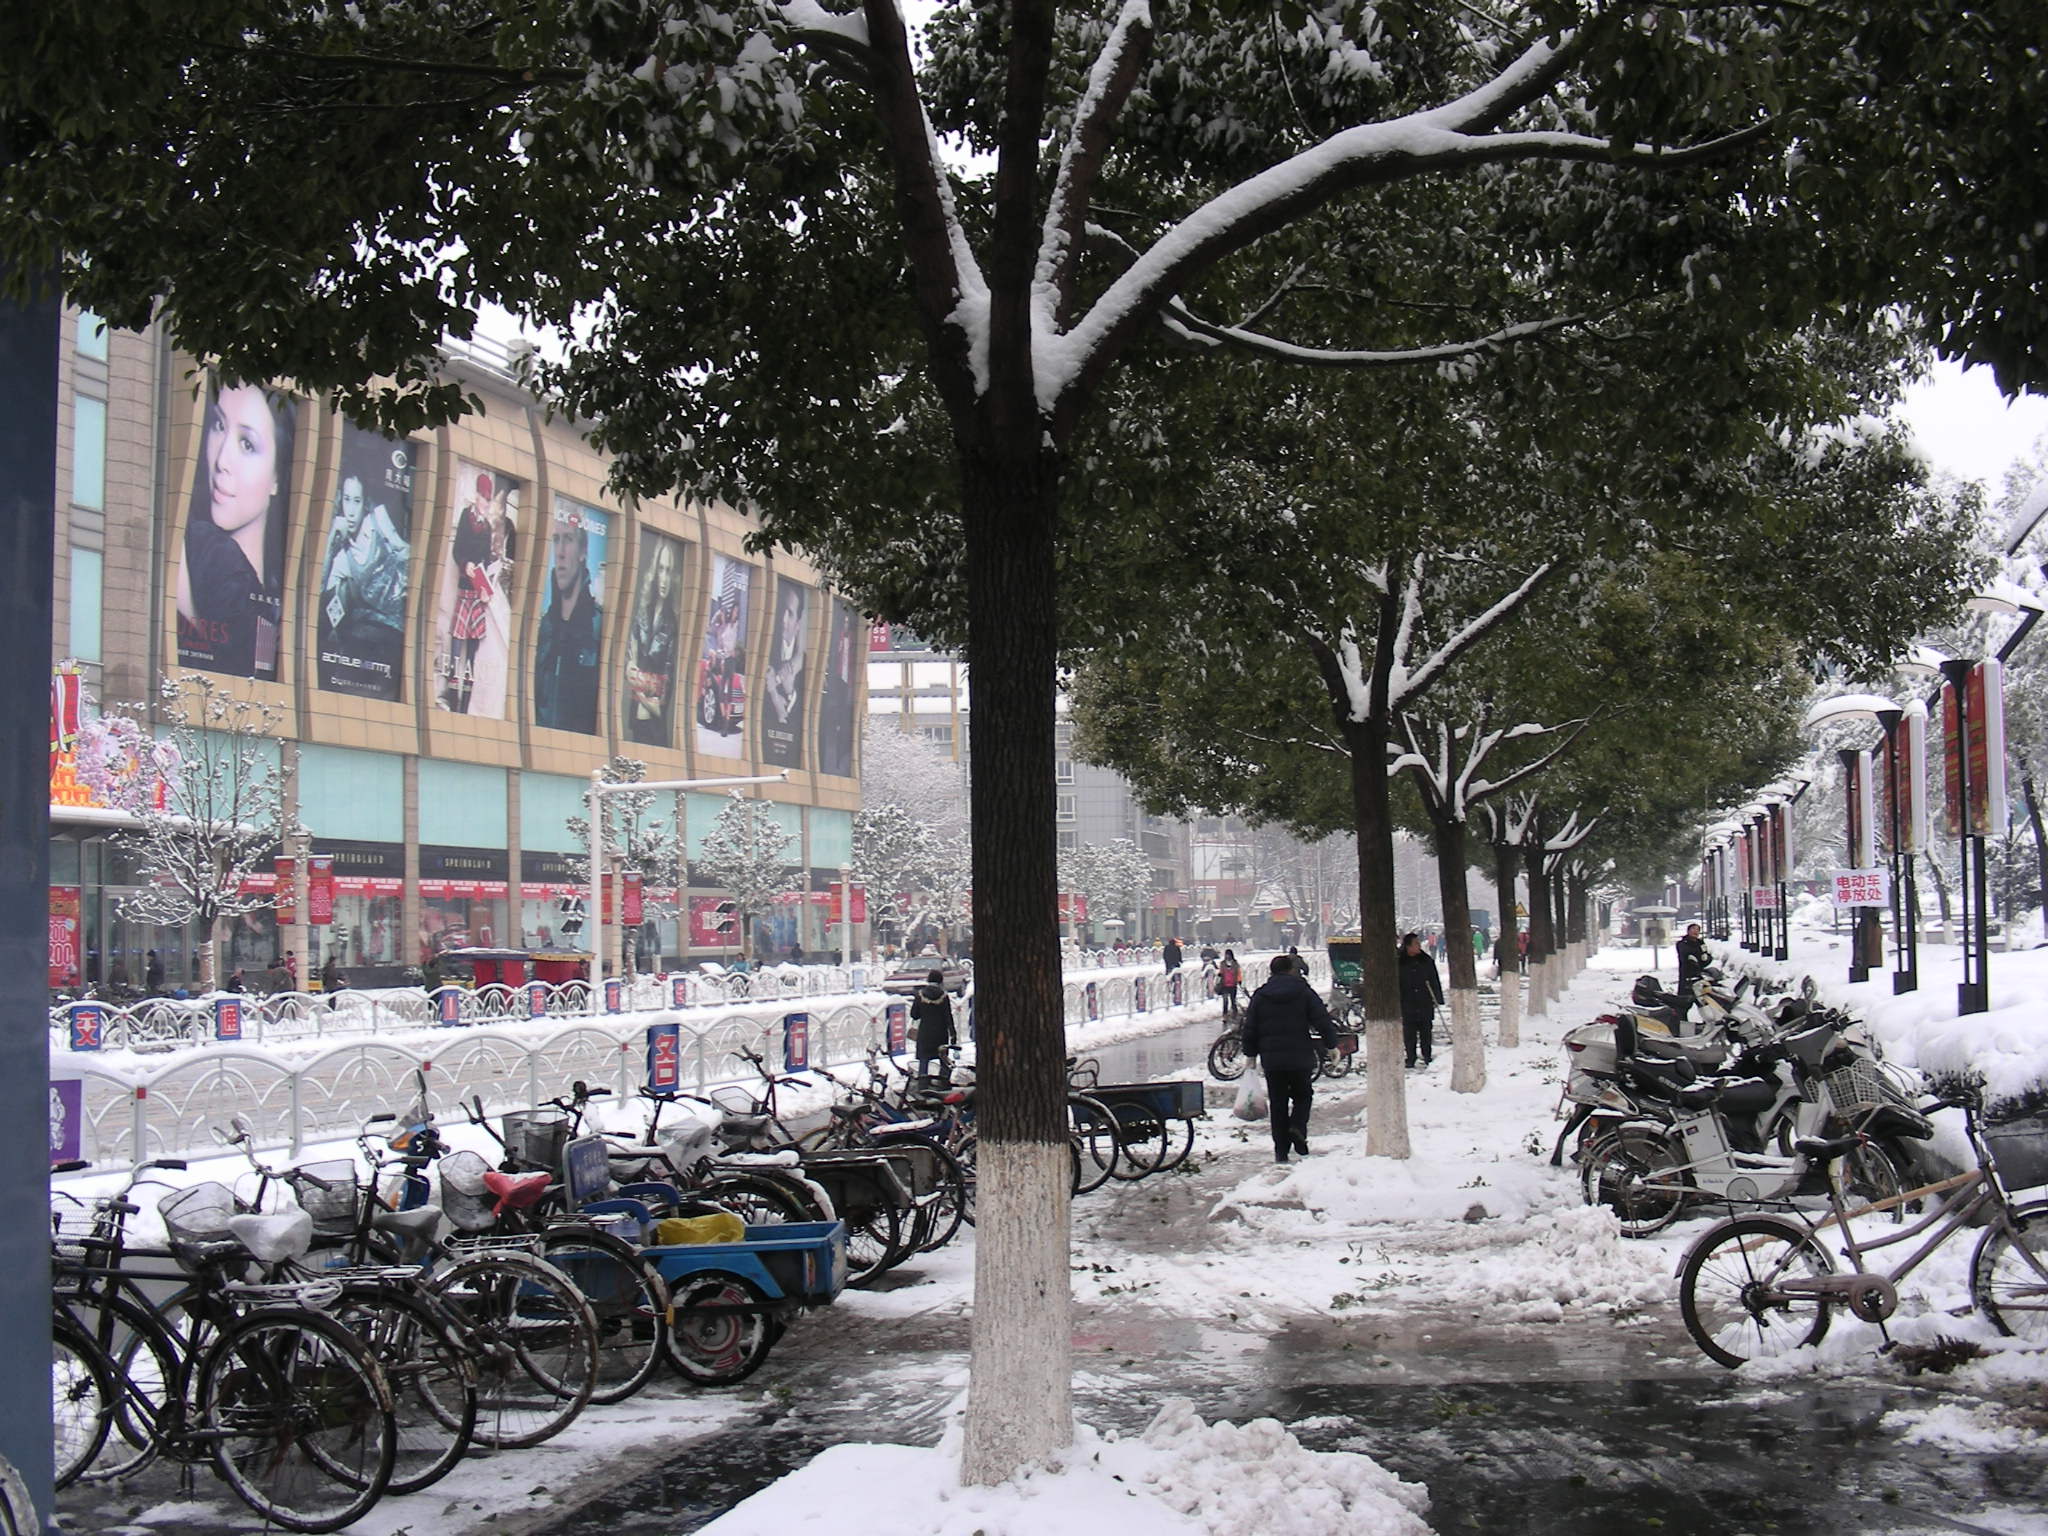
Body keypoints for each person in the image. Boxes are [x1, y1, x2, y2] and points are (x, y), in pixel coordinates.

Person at [177, 381, 294, 679]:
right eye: (218, 426)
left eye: (247, 444)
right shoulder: (190, 547)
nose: (221, 461)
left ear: (277, 477)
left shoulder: (275, 601)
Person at [1240, 954, 1336, 1164]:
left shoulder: (1261, 995)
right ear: (1291, 970)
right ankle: (1297, 1127)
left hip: (1272, 1060)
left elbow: (1250, 1027)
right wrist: (1331, 1044)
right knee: (1303, 1096)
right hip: (1299, 1056)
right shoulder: (1304, 992)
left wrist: (1250, 1054)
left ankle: (1281, 1151)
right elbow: (1321, 1019)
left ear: (1272, 972)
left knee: (1278, 1103)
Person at [534, 517, 604, 733]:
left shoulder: (597, 625)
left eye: (569, 539)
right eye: (556, 540)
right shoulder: (544, 626)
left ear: (583, 552)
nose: (560, 552)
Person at [1399, 931, 1445, 1069]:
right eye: (1416, 944)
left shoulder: (1426, 961)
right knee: (1409, 1033)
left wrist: (1437, 998)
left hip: (1424, 1001)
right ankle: (1411, 1057)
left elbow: (1434, 980)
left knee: (1426, 1031)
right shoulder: (1399, 961)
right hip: (1407, 1003)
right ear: (1408, 946)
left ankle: (1427, 1055)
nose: (1419, 946)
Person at [910, 968, 956, 1082]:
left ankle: (923, 1082)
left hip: (925, 1033)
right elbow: (948, 1016)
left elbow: (914, 1015)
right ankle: (943, 1083)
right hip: (941, 1033)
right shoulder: (944, 996)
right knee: (943, 1058)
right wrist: (953, 1033)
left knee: (924, 1059)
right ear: (940, 981)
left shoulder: (920, 995)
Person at [1676, 922, 1710, 994]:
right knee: (1686, 994)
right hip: (1687, 973)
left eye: (1698, 930)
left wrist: (1706, 958)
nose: (1695, 931)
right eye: (1693, 929)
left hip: (1700, 973)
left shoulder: (1701, 943)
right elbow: (1685, 954)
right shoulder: (1682, 943)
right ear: (1688, 931)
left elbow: (1706, 955)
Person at [1216, 948, 1244, 1020]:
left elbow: (1238, 973)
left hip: (1233, 985)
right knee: (1225, 1001)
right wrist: (1219, 975)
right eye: (1226, 955)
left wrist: (1239, 981)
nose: (1227, 956)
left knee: (1233, 1000)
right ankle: (1225, 1015)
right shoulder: (1222, 963)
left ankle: (1234, 1013)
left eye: (1228, 955)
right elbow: (1221, 972)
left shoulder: (1235, 964)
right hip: (1224, 985)